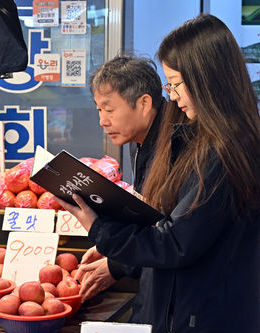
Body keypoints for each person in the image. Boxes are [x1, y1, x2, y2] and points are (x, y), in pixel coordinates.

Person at [59, 14, 260, 333]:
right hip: (191, 326)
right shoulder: (209, 140)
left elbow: (176, 242)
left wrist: (100, 228)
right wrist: (119, 254)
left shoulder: (222, 152)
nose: (173, 96)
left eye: (176, 84)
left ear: (206, 80)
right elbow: (169, 224)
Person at [76, 56, 184, 302]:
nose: (102, 121)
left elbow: (172, 239)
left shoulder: (178, 145)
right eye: (99, 110)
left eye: (109, 110)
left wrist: (113, 250)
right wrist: (118, 257)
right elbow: (151, 218)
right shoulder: (140, 140)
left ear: (144, 103)